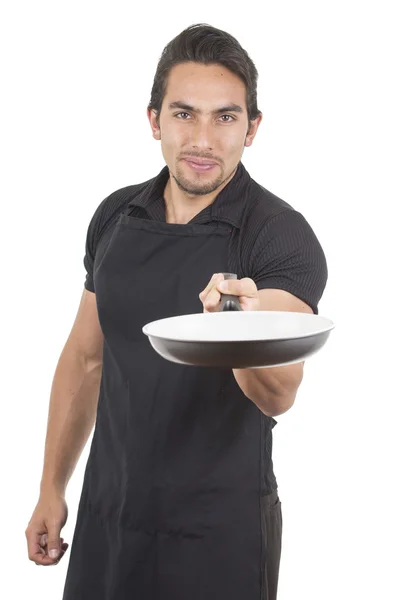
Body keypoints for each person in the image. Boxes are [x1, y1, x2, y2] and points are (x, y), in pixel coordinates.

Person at [25, 23, 328, 600]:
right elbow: (87, 359)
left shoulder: (278, 235)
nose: (204, 140)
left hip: (219, 528)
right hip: (110, 510)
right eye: (185, 114)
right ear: (154, 120)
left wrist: (240, 323)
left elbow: (280, 392)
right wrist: (50, 487)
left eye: (226, 117)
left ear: (253, 128)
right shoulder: (116, 216)